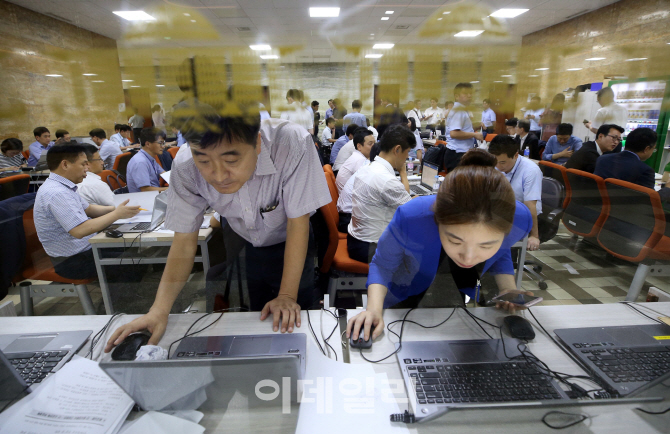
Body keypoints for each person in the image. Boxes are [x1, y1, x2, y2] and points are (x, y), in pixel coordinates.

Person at [105, 108, 331, 352]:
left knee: (297, 306)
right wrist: (159, 310)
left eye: (231, 160)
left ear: (256, 143)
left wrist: (287, 296)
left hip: (290, 235)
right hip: (240, 233)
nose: (219, 176)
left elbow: (297, 222)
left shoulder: (290, 143)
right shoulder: (185, 164)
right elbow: (184, 240)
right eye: (204, 161)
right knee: (254, 304)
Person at [346, 164, 533, 341]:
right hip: (409, 288)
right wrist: (373, 310)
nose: (468, 257)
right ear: (437, 221)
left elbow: (503, 249)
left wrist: (507, 288)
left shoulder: (520, 219)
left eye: (485, 245)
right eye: (455, 240)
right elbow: (382, 265)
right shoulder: (412, 218)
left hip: (456, 292)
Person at [34, 144, 139, 280]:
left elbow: (89, 209)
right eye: (83, 164)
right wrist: (117, 214)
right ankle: (118, 299)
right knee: (132, 261)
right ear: (65, 164)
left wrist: (117, 209)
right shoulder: (56, 193)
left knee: (131, 246)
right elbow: (79, 230)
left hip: (85, 250)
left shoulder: (65, 186)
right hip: (71, 261)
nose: (87, 168)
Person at [347, 124, 414, 263]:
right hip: (370, 248)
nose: (407, 157)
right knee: (426, 244)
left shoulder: (368, 167)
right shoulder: (386, 180)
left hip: (356, 241)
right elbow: (412, 214)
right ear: (397, 149)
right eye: (407, 152)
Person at [488, 135, 543, 251]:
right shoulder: (495, 165)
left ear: (516, 155)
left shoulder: (530, 171)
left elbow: (531, 205)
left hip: (523, 215)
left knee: (492, 236)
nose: (498, 166)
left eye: (502, 162)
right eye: (495, 162)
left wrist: (534, 236)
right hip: (501, 210)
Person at [337, 143, 381, 233]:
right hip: (349, 220)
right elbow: (401, 204)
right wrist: (403, 173)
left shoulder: (367, 165)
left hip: (347, 216)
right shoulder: (371, 171)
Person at [444, 83, 483, 171]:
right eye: (465, 94)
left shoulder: (460, 109)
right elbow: (454, 133)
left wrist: (475, 126)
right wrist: (474, 135)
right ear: (457, 96)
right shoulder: (459, 111)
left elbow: (461, 128)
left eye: (470, 93)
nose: (469, 96)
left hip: (456, 153)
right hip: (458, 154)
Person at [126, 128, 168, 193]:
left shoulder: (150, 158)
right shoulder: (140, 162)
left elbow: (164, 174)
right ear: (148, 144)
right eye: (160, 143)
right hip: (144, 200)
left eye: (163, 143)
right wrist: (170, 189)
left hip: (153, 195)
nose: (163, 146)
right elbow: (146, 190)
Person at [336, 128, 375, 193]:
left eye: (374, 143)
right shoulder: (360, 160)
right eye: (370, 144)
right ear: (359, 146)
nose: (374, 147)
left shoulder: (357, 156)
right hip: (351, 201)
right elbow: (369, 184)